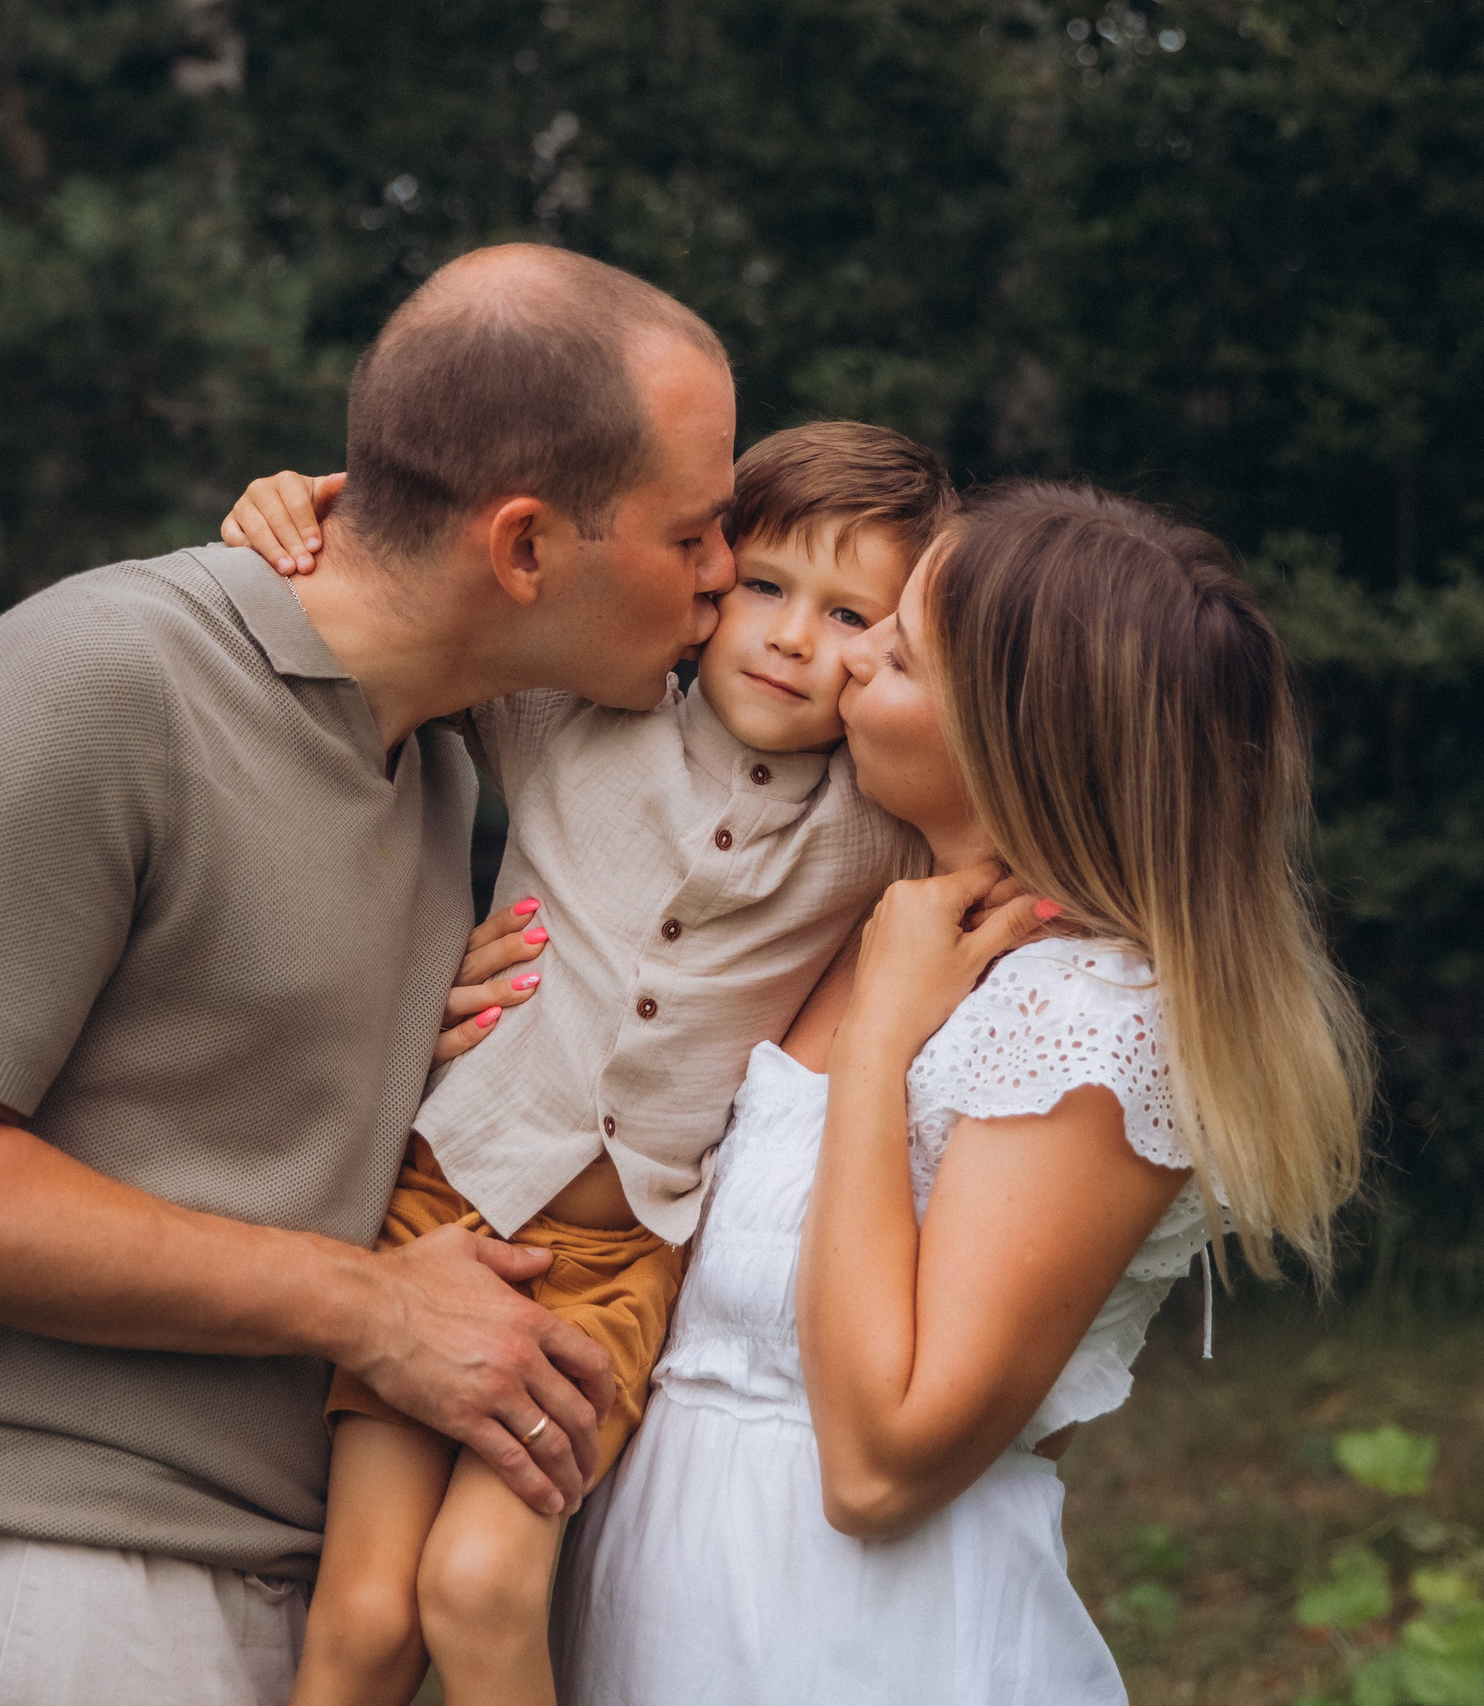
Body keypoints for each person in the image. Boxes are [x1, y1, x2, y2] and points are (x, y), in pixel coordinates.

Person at [0, 243, 738, 1706]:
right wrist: (376, 1310)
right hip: (73, 1581)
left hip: (320, 1597)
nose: (727, 576)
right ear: (527, 549)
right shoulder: (98, 680)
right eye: (695, 535)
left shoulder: (440, 754)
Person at [551, 481, 1374, 1703]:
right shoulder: (858, 905)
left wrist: (879, 1038)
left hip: (850, 1646)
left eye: (892, 651)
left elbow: (885, 1462)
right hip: (670, 1609)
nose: (843, 658)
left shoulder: (1087, 1023)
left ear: (1010, 738)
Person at [216, 421, 955, 1706]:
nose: (790, 636)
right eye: (766, 588)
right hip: (434, 1217)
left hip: (617, 1270)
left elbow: (1033, 823)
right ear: (708, 585)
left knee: (483, 1586)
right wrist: (294, 511)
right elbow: (421, 593)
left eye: (852, 617)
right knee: (365, 1621)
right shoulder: (574, 714)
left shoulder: (877, 830)